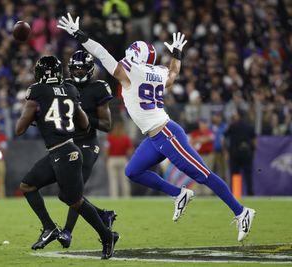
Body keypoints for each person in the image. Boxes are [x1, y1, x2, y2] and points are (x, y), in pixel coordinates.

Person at [58, 13, 255, 242]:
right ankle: (179, 193)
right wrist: (177, 54)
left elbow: (102, 53)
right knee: (133, 171)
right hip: (154, 137)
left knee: (202, 174)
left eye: (132, 51)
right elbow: (173, 74)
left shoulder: (131, 70)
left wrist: (79, 35)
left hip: (166, 133)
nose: (127, 55)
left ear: (136, 55)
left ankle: (241, 211)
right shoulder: (156, 71)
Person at [15, 56, 119, 259]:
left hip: (64, 152)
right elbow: (84, 123)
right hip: (64, 149)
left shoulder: (36, 91)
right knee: (28, 185)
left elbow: (19, 129)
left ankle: (107, 235)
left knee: (74, 200)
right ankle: (50, 228)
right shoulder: (70, 90)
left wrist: (35, 115)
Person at [59, 50, 116, 248]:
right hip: (67, 144)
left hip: (88, 144)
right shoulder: (65, 86)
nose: (79, 71)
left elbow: (107, 125)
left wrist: (81, 114)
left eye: (82, 67)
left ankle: (67, 232)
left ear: (90, 69)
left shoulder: (98, 88)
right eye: (75, 68)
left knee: (74, 191)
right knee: (65, 193)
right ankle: (102, 215)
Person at [225, 110, 255, 196]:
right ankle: (250, 193)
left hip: (235, 152)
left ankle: (236, 193)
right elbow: (254, 141)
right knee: (248, 174)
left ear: (238, 115)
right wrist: (253, 152)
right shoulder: (249, 126)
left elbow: (224, 138)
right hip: (247, 152)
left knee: (235, 173)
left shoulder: (232, 126)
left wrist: (226, 151)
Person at [105, 120, 133, 198]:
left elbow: (106, 150)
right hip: (122, 159)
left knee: (113, 180)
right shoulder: (126, 138)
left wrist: (107, 159)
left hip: (112, 159)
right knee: (124, 180)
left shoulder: (110, 137)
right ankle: (126, 197)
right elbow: (130, 151)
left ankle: (114, 197)